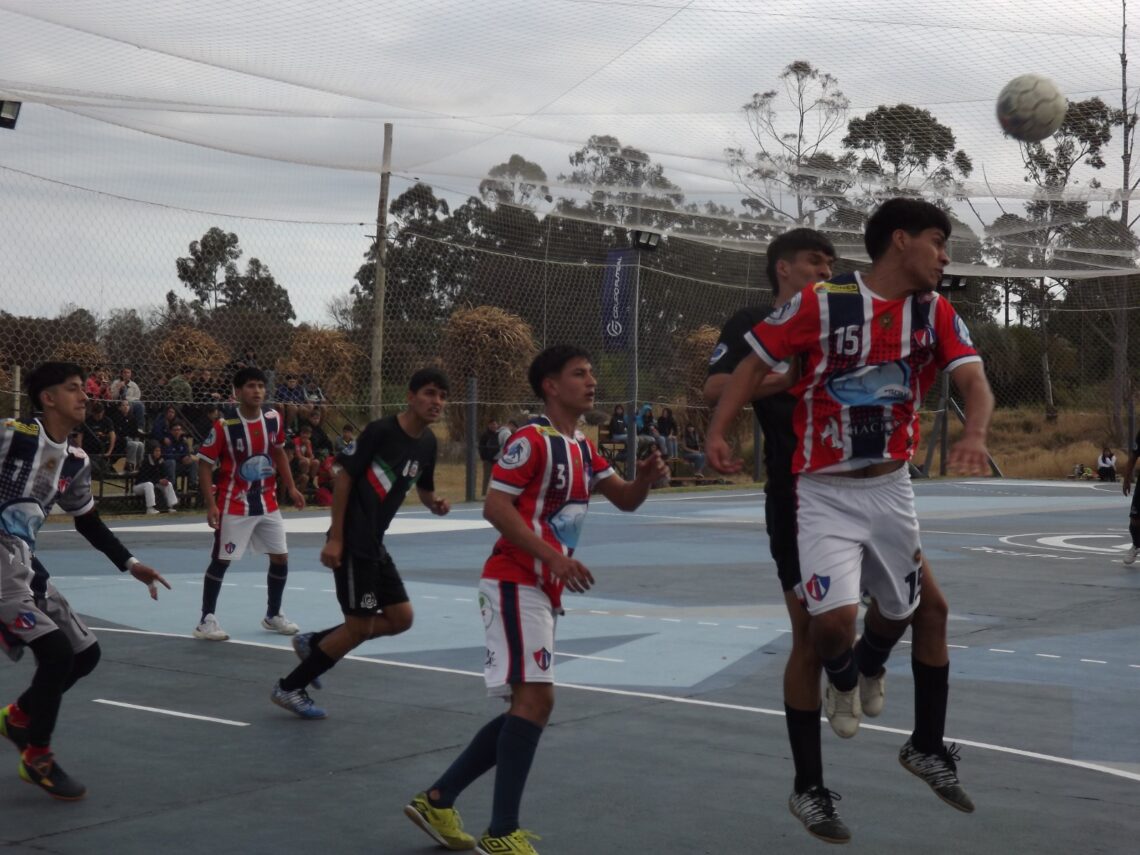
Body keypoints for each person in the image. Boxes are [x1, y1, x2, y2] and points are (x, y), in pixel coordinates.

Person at [707, 202, 993, 831]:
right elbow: (744, 369)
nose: (946, 257)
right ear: (901, 240)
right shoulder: (817, 306)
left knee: (914, 610)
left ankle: (892, 705)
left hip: (890, 489)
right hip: (814, 491)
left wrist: (975, 432)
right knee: (824, 629)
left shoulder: (936, 312)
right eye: (938, 241)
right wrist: (718, 431)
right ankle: (826, 738)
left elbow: (975, 381)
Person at [404, 345, 669, 855]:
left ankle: (439, 799)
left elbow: (625, 500)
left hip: (541, 586)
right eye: (579, 374)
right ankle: (501, 831)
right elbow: (495, 506)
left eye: (591, 373)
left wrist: (644, 480)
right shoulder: (530, 441)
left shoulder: (583, 447)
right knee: (537, 701)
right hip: (513, 580)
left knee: (527, 706)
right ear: (550, 385)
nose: (592, 382)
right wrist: (554, 558)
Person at [0, 362, 169, 800]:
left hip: (23, 564)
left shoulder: (75, 462)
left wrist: (130, 563)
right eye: (73, 389)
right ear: (47, 398)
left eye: (83, 388)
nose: (84, 395)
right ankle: (38, 757)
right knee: (56, 652)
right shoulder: (14, 435)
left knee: (84, 654)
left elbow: (87, 521)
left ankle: (18, 717)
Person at [271, 368, 453, 718]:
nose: (437, 402)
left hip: (374, 544)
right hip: (353, 541)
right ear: (411, 396)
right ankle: (290, 687)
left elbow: (425, 488)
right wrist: (337, 538)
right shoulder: (381, 432)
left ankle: (315, 642)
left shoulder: (428, 443)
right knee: (359, 627)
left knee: (401, 618)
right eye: (430, 393)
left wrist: (435, 504)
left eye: (443, 396)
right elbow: (344, 480)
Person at [193, 367, 306, 641]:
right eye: (251, 386)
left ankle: (273, 614)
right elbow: (205, 465)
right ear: (237, 391)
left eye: (260, 386)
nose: (257, 391)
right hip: (234, 505)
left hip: (267, 502)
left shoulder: (273, 419)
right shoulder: (225, 426)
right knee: (222, 560)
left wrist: (291, 487)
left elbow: (279, 452)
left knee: (281, 557)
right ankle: (206, 620)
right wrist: (211, 504)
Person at [133, 440, 180, 514]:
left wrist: (165, 479)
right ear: (151, 451)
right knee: (149, 484)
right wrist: (158, 480)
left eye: (159, 451)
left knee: (168, 484)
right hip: (140, 486)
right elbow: (145, 478)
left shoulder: (160, 460)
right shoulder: (145, 461)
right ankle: (150, 508)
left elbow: (163, 474)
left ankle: (171, 506)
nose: (158, 453)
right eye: (156, 451)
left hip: (154, 483)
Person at [108, 399, 144, 471]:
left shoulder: (132, 418)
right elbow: (118, 431)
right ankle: (130, 464)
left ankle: (139, 464)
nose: (125, 407)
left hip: (131, 438)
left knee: (141, 444)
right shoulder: (116, 418)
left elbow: (135, 432)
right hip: (122, 440)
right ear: (119, 407)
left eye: (127, 405)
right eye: (123, 405)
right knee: (134, 444)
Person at [161, 423, 198, 490]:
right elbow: (168, 455)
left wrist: (186, 457)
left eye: (179, 429)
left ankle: (193, 485)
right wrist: (181, 458)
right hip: (170, 466)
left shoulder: (183, 441)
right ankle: (172, 485)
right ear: (171, 431)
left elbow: (186, 453)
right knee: (172, 462)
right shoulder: (168, 441)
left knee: (193, 462)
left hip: (180, 465)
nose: (177, 431)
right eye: (175, 430)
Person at [478, 418, 504, 496]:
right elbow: (481, 448)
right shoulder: (485, 435)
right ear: (488, 425)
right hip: (488, 461)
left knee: (498, 478)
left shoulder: (499, 434)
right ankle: (484, 494)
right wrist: (485, 458)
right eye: (491, 424)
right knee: (487, 477)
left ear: (497, 425)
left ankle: (497, 494)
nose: (493, 426)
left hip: (497, 460)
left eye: (495, 424)